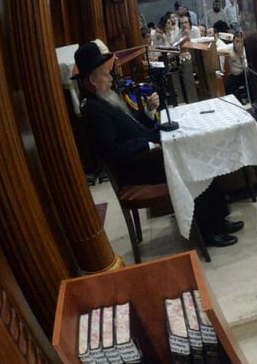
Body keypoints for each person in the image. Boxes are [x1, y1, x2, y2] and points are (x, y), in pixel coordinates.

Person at [74, 40, 239, 247]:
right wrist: (149, 146)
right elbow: (113, 151)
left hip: (147, 157)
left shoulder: (104, 98)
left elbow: (131, 125)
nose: (110, 78)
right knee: (195, 164)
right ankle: (208, 232)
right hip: (137, 167)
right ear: (92, 79)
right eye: (105, 74)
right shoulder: (94, 109)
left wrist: (148, 111)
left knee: (198, 153)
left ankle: (219, 221)